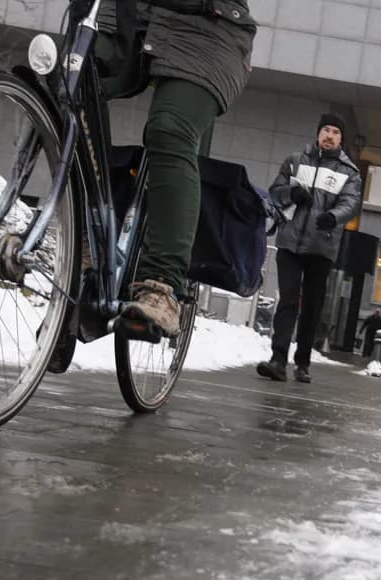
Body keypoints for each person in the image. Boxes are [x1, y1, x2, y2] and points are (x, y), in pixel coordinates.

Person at [91, 0, 257, 342]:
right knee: (67, 82)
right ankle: (80, 244)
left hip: (209, 26)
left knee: (170, 129)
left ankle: (161, 288)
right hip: (127, 13)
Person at [256, 112, 363, 384]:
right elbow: (275, 190)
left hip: (321, 246)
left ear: (341, 138)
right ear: (318, 133)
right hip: (290, 242)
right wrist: (290, 193)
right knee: (288, 301)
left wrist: (333, 217)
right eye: (325, 129)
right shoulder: (295, 160)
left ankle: (302, 363)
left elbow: (350, 204)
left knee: (312, 306)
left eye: (335, 132)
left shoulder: (349, 172)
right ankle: (278, 360)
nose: (329, 135)